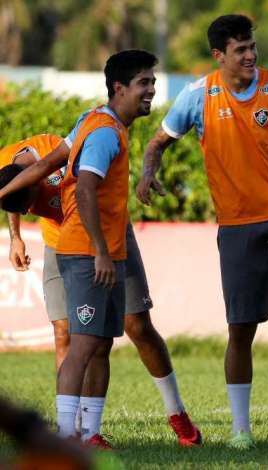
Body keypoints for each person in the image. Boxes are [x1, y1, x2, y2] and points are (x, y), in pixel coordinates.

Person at [136, 14, 268, 450]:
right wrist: (147, 174)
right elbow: (158, 142)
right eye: (240, 49)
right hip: (238, 228)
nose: (250, 55)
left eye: (252, 47)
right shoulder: (198, 95)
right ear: (219, 55)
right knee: (240, 331)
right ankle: (241, 431)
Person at [0, 145, 200, 446]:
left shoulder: (62, 155)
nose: (29, 211)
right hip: (60, 243)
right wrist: (15, 237)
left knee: (137, 325)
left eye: (27, 202)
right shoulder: (7, 164)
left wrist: (101, 253)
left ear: (38, 178)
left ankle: (177, 413)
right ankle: (79, 431)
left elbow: (96, 194)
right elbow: (13, 199)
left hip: (107, 230)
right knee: (66, 331)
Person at [52, 49, 162, 449]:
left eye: (152, 81)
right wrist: (99, 250)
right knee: (82, 345)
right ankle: (65, 439)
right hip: (86, 252)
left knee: (100, 344)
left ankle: (90, 433)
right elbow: (83, 188)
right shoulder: (103, 132)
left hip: (107, 253)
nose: (152, 90)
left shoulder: (108, 123)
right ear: (120, 88)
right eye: (144, 83)